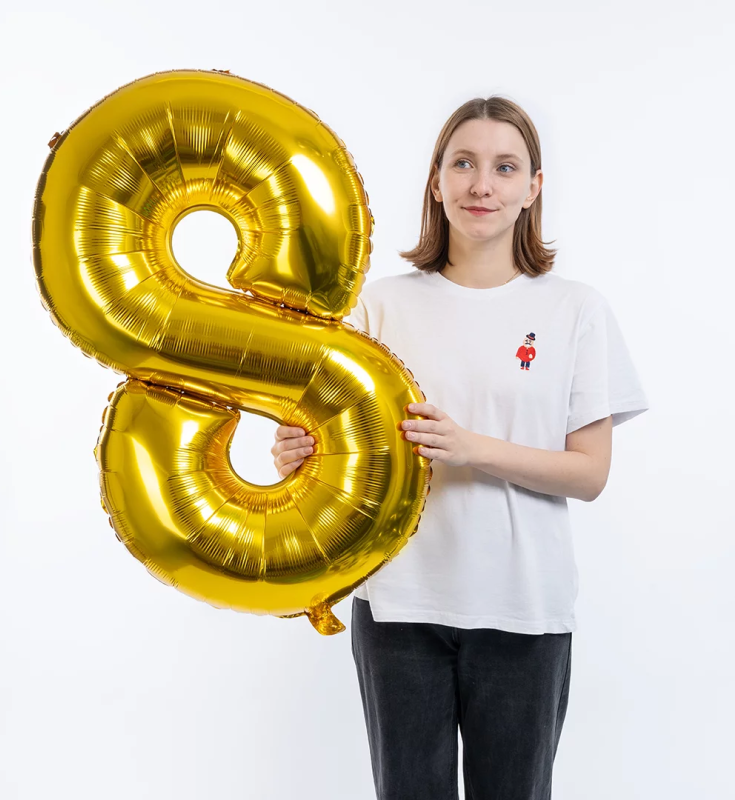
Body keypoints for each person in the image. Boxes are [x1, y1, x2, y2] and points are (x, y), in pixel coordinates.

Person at [270, 96, 649, 800]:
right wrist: (298, 453)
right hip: (399, 606)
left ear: (533, 187)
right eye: (464, 163)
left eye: (505, 167)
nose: (482, 185)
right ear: (436, 181)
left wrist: (472, 448)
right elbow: (337, 447)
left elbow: (590, 473)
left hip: (523, 608)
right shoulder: (378, 306)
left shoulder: (574, 309)